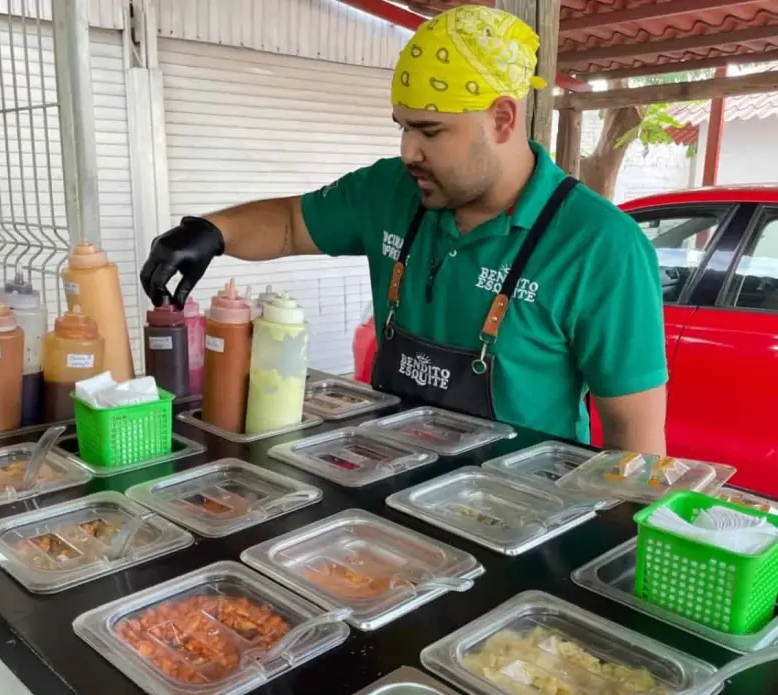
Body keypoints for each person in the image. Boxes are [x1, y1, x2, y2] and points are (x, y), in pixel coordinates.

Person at [141, 4, 667, 453]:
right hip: (389, 485)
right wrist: (209, 231)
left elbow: (636, 439)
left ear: (503, 119)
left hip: (519, 521)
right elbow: (288, 224)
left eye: (430, 131)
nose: (408, 152)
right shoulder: (391, 191)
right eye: (403, 127)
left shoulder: (601, 247)